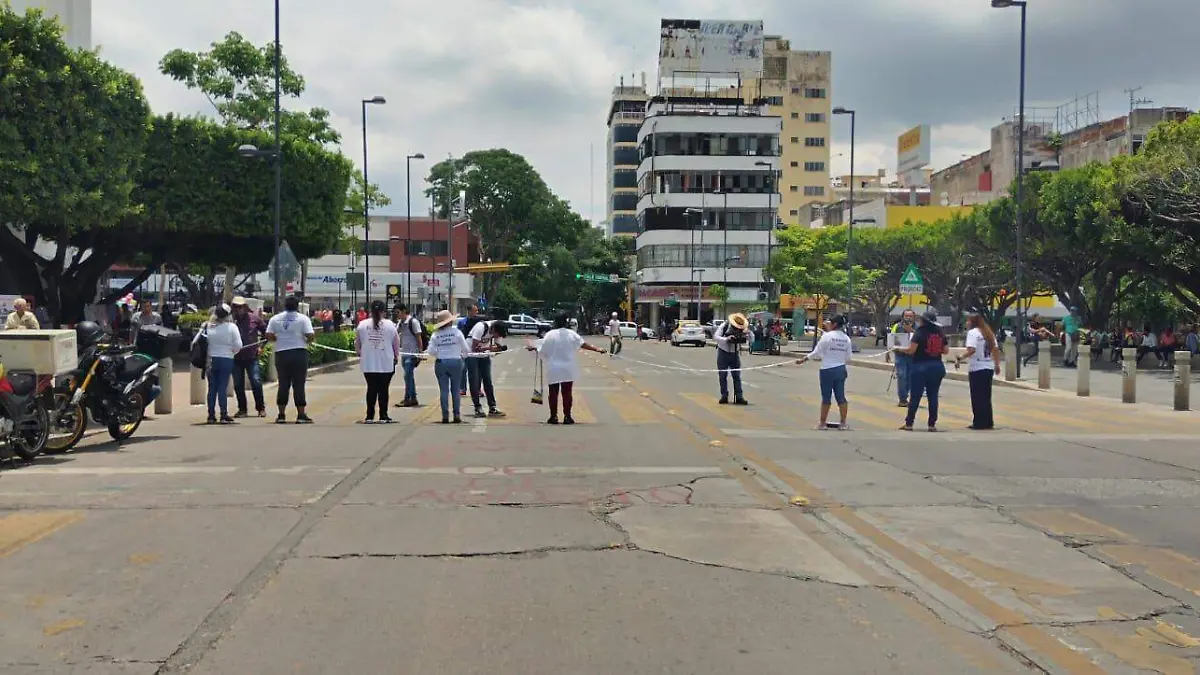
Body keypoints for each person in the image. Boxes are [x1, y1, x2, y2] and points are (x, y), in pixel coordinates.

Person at [529, 313, 606, 424]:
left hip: (553, 368)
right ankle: (567, 417)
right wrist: (597, 349)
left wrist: (534, 348)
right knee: (567, 392)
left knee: (553, 393)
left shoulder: (550, 334)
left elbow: (543, 348)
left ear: (555, 322)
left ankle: (553, 417)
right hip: (568, 369)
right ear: (566, 322)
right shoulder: (571, 334)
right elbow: (583, 344)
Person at [892, 311, 949, 432]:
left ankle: (909, 423)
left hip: (920, 367)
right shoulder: (940, 333)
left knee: (915, 396)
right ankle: (932, 424)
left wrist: (899, 348)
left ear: (923, 321)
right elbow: (945, 351)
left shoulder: (919, 333)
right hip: (937, 366)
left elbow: (911, 350)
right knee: (933, 396)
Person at [795, 315, 853, 430]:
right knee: (841, 397)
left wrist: (804, 359)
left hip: (827, 369)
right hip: (840, 369)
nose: (828, 324)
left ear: (834, 324)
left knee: (826, 397)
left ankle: (822, 423)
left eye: (829, 322)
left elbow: (816, 352)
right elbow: (849, 357)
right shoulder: (846, 339)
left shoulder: (827, 337)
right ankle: (843, 423)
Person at [266, 296, 316, 424]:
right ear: (297, 306)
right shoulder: (303, 319)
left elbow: (269, 335)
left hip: (281, 353)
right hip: (299, 352)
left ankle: (281, 415)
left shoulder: (275, 318)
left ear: (285, 305)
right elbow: (310, 335)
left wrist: (278, 339)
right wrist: (306, 340)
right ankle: (301, 415)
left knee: (283, 384)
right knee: (299, 384)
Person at [193, 304, 243, 425]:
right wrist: (232, 351)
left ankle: (211, 415)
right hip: (226, 359)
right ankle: (223, 414)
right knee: (222, 387)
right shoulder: (232, 327)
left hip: (210, 359)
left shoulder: (207, 326)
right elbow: (238, 345)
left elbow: (197, 342)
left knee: (212, 388)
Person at [355, 300, 400, 424]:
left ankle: (369, 416)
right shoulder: (390, 325)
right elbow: (396, 342)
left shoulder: (362, 325)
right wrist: (396, 356)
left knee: (371, 388)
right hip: (386, 361)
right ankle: (383, 415)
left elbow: (357, 343)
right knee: (383, 389)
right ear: (383, 311)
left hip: (368, 362)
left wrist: (361, 353)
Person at [957, 312, 1001, 430]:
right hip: (988, 366)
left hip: (977, 367)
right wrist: (997, 365)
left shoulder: (973, 333)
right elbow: (995, 349)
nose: (967, 323)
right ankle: (988, 421)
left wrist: (961, 357)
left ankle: (979, 422)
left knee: (977, 396)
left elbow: (972, 350)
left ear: (973, 322)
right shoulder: (989, 333)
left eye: (968, 321)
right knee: (986, 396)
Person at [425, 310, 469, 424]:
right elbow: (466, 348)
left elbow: (431, 351)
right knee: (456, 390)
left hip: (441, 362)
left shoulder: (436, 334)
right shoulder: (456, 332)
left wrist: (440, 353)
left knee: (443, 390)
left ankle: (445, 416)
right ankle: (456, 415)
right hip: (456, 361)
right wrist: (462, 356)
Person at [230, 297, 267, 418]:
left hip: (251, 356)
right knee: (238, 384)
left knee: (256, 381)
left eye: (240, 307)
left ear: (245, 307)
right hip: (236, 357)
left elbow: (266, 333)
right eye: (236, 307)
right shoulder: (230, 320)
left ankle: (261, 408)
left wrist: (261, 346)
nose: (238, 309)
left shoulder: (254, 318)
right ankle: (242, 409)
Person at [467, 318, 509, 418]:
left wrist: (491, 349)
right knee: (475, 381)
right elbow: (474, 348)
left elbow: (498, 347)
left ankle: (492, 407)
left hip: (484, 355)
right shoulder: (480, 327)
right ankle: (477, 407)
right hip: (472, 355)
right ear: (493, 329)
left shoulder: (497, 331)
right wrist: (489, 348)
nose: (496, 337)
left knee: (488, 381)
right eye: (496, 335)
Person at [713, 313, 750, 406]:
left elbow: (751, 340)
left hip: (734, 353)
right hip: (723, 352)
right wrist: (726, 339)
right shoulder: (724, 326)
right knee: (723, 376)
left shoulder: (743, 329)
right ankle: (724, 396)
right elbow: (716, 337)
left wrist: (747, 334)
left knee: (736, 376)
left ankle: (739, 397)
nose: (737, 329)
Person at [394, 304, 425, 407]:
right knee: (409, 377)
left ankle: (407, 398)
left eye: (398, 312)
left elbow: (419, 337)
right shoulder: (400, 323)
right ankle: (413, 398)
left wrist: (420, 353)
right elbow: (395, 334)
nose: (397, 314)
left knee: (407, 375)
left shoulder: (413, 322)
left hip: (413, 354)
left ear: (404, 311)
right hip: (404, 353)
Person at [885, 310, 916, 407]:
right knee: (902, 376)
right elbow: (891, 339)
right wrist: (888, 353)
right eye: (906, 316)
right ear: (903, 317)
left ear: (914, 317)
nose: (908, 318)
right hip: (900, 355)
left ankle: (906, 394)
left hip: (913, 356)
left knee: (910, 377)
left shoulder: (918, 327)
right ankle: (903, 399)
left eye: (910, 316)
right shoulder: (897, 326)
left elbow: (922, 338)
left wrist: (911, 330)